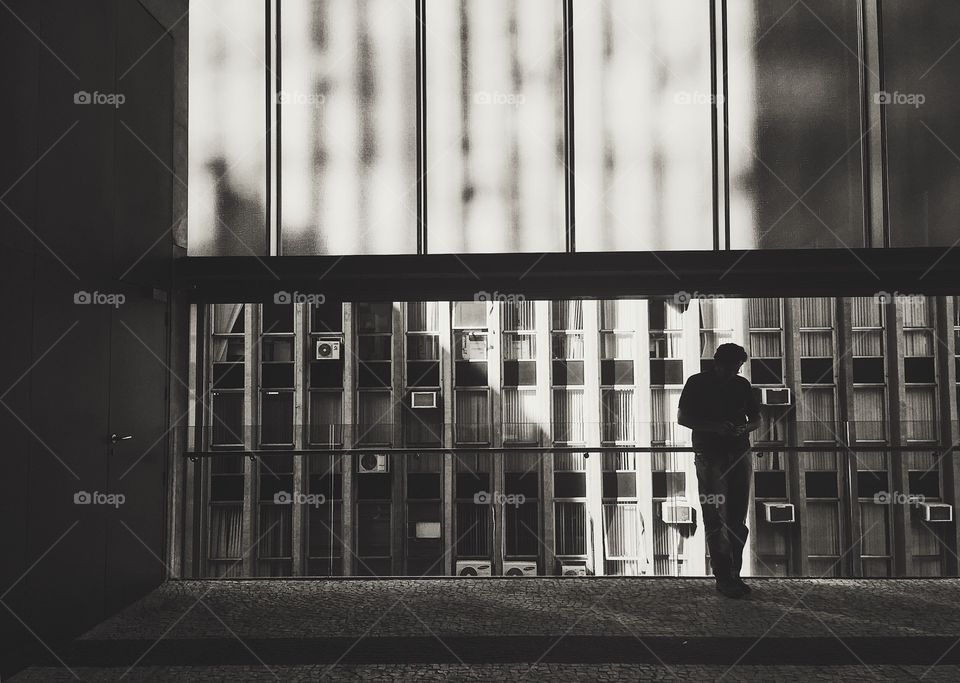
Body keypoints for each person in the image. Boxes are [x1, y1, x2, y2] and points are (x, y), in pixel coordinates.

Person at [678, 343, 761, 599]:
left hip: (725, 454)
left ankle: (729, 576)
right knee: (720, 519)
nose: (735, 371)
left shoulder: (738, 384)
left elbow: (756, 420)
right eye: (732, 366)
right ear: (719, 363)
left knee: (730, 518)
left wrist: (740, 429)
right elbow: (682, 418)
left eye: (738, 367)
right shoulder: (699, 383)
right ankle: (727, 576)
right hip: (716, 455)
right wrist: (719, 428)